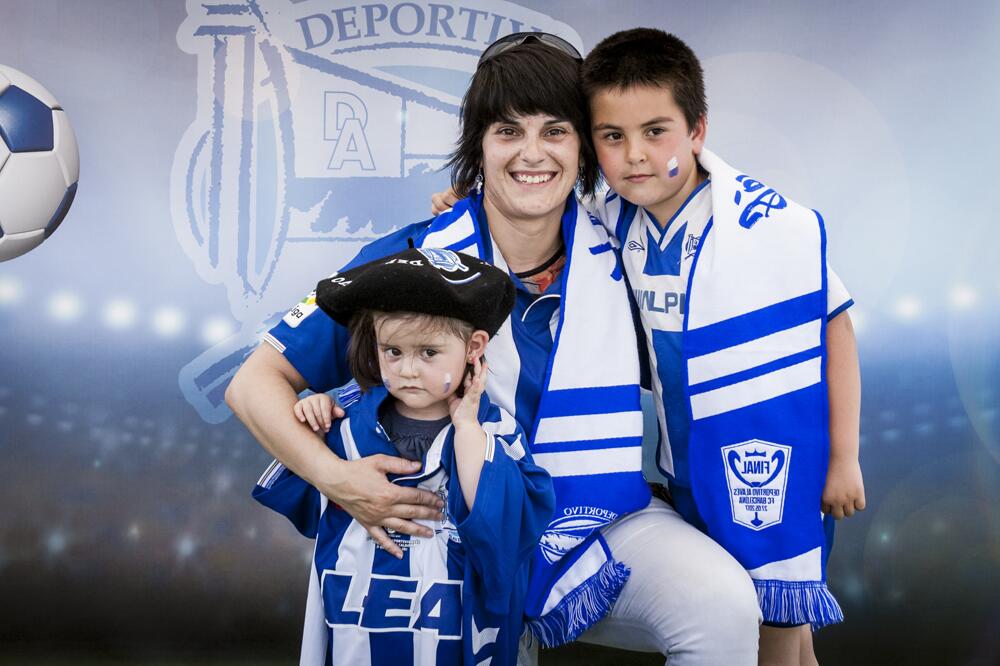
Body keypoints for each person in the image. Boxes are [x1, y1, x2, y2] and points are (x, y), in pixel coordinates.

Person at [227, 33, 761, 665]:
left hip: (596, 516)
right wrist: (337, 480)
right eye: (507, 131)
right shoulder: (415, 260)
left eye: (556, 131)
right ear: (478, 147)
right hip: (448, 529)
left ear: (585, 148)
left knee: (723, 605)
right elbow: (252, 382)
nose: (531, 154)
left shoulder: (633, 253)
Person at [580, 29, 865, 665]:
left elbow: (835, 328)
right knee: (767, 625)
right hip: (684, 467)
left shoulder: (763, 226)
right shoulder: (607, 220)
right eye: (612, 137)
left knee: (774, 630)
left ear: (697, 131)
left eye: (656, 132)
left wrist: (845, 457)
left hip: (772, 466)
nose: (635, 157)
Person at [252, 248, 555, 665]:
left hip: (449, 621)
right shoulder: (346, 419)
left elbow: (507, 531)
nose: (408, 369)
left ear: (474, 347)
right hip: (356, 615)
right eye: (392, 351)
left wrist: (467, 427)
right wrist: (312, 420)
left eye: (428, 353)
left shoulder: (494, 429)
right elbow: (304, 498)